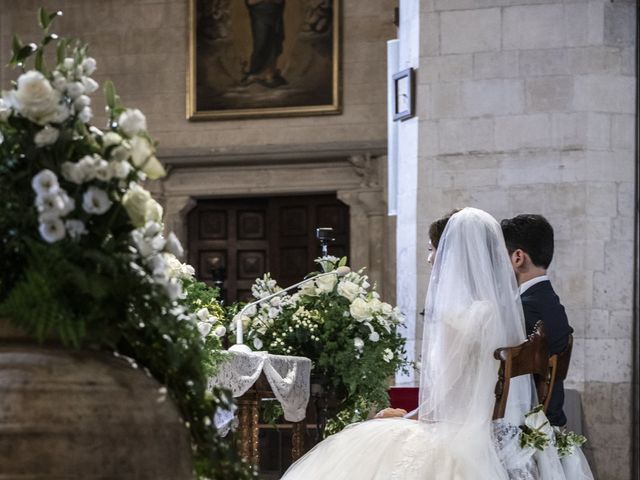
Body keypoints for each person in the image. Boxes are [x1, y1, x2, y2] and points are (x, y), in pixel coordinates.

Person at [281, 208, 538, 479]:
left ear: (452, 254)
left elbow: (445, 400)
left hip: (457, 436)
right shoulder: (496, 312)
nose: (429, 259)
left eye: (431, 249)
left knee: (363, 443)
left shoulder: (459, 318)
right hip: (490, 431)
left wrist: (404, 418)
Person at [501, 214, 573, 427]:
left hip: (527, 425)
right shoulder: (548, 300)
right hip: (550, 423)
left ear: (518, 257)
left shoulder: (524, 309)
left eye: (499, 257)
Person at [242, 0, 287, 88]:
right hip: (259, 14)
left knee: (274, 44)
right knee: (261, 44)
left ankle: (269, 74)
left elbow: (280, 1)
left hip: (275, 14)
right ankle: (255, 73)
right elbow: (250, 2)